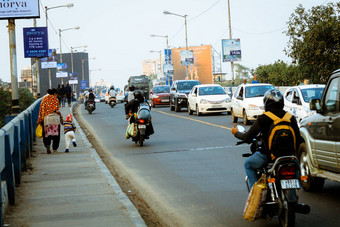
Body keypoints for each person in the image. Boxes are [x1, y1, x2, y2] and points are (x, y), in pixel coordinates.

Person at [231, 89, 301, 189]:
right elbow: (298, 139)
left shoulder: (263, 118)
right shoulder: (290, 117)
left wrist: (236, 133)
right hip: (290, 157)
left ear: (266, 102)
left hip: (268, 156)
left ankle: (257, 195)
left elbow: (247, 138)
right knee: (296, 166)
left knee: (248, 164)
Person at [37, 88, 63, 154]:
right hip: (54, 118)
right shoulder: (55, 99)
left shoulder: (44, 99)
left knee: (47, 134)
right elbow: (57, 110)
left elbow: (41, 110)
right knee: (56, 135)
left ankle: (47, 145)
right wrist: (61, 117)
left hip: (47, 119)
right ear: (54, 93)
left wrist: (40, 120)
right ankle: (54, 149)